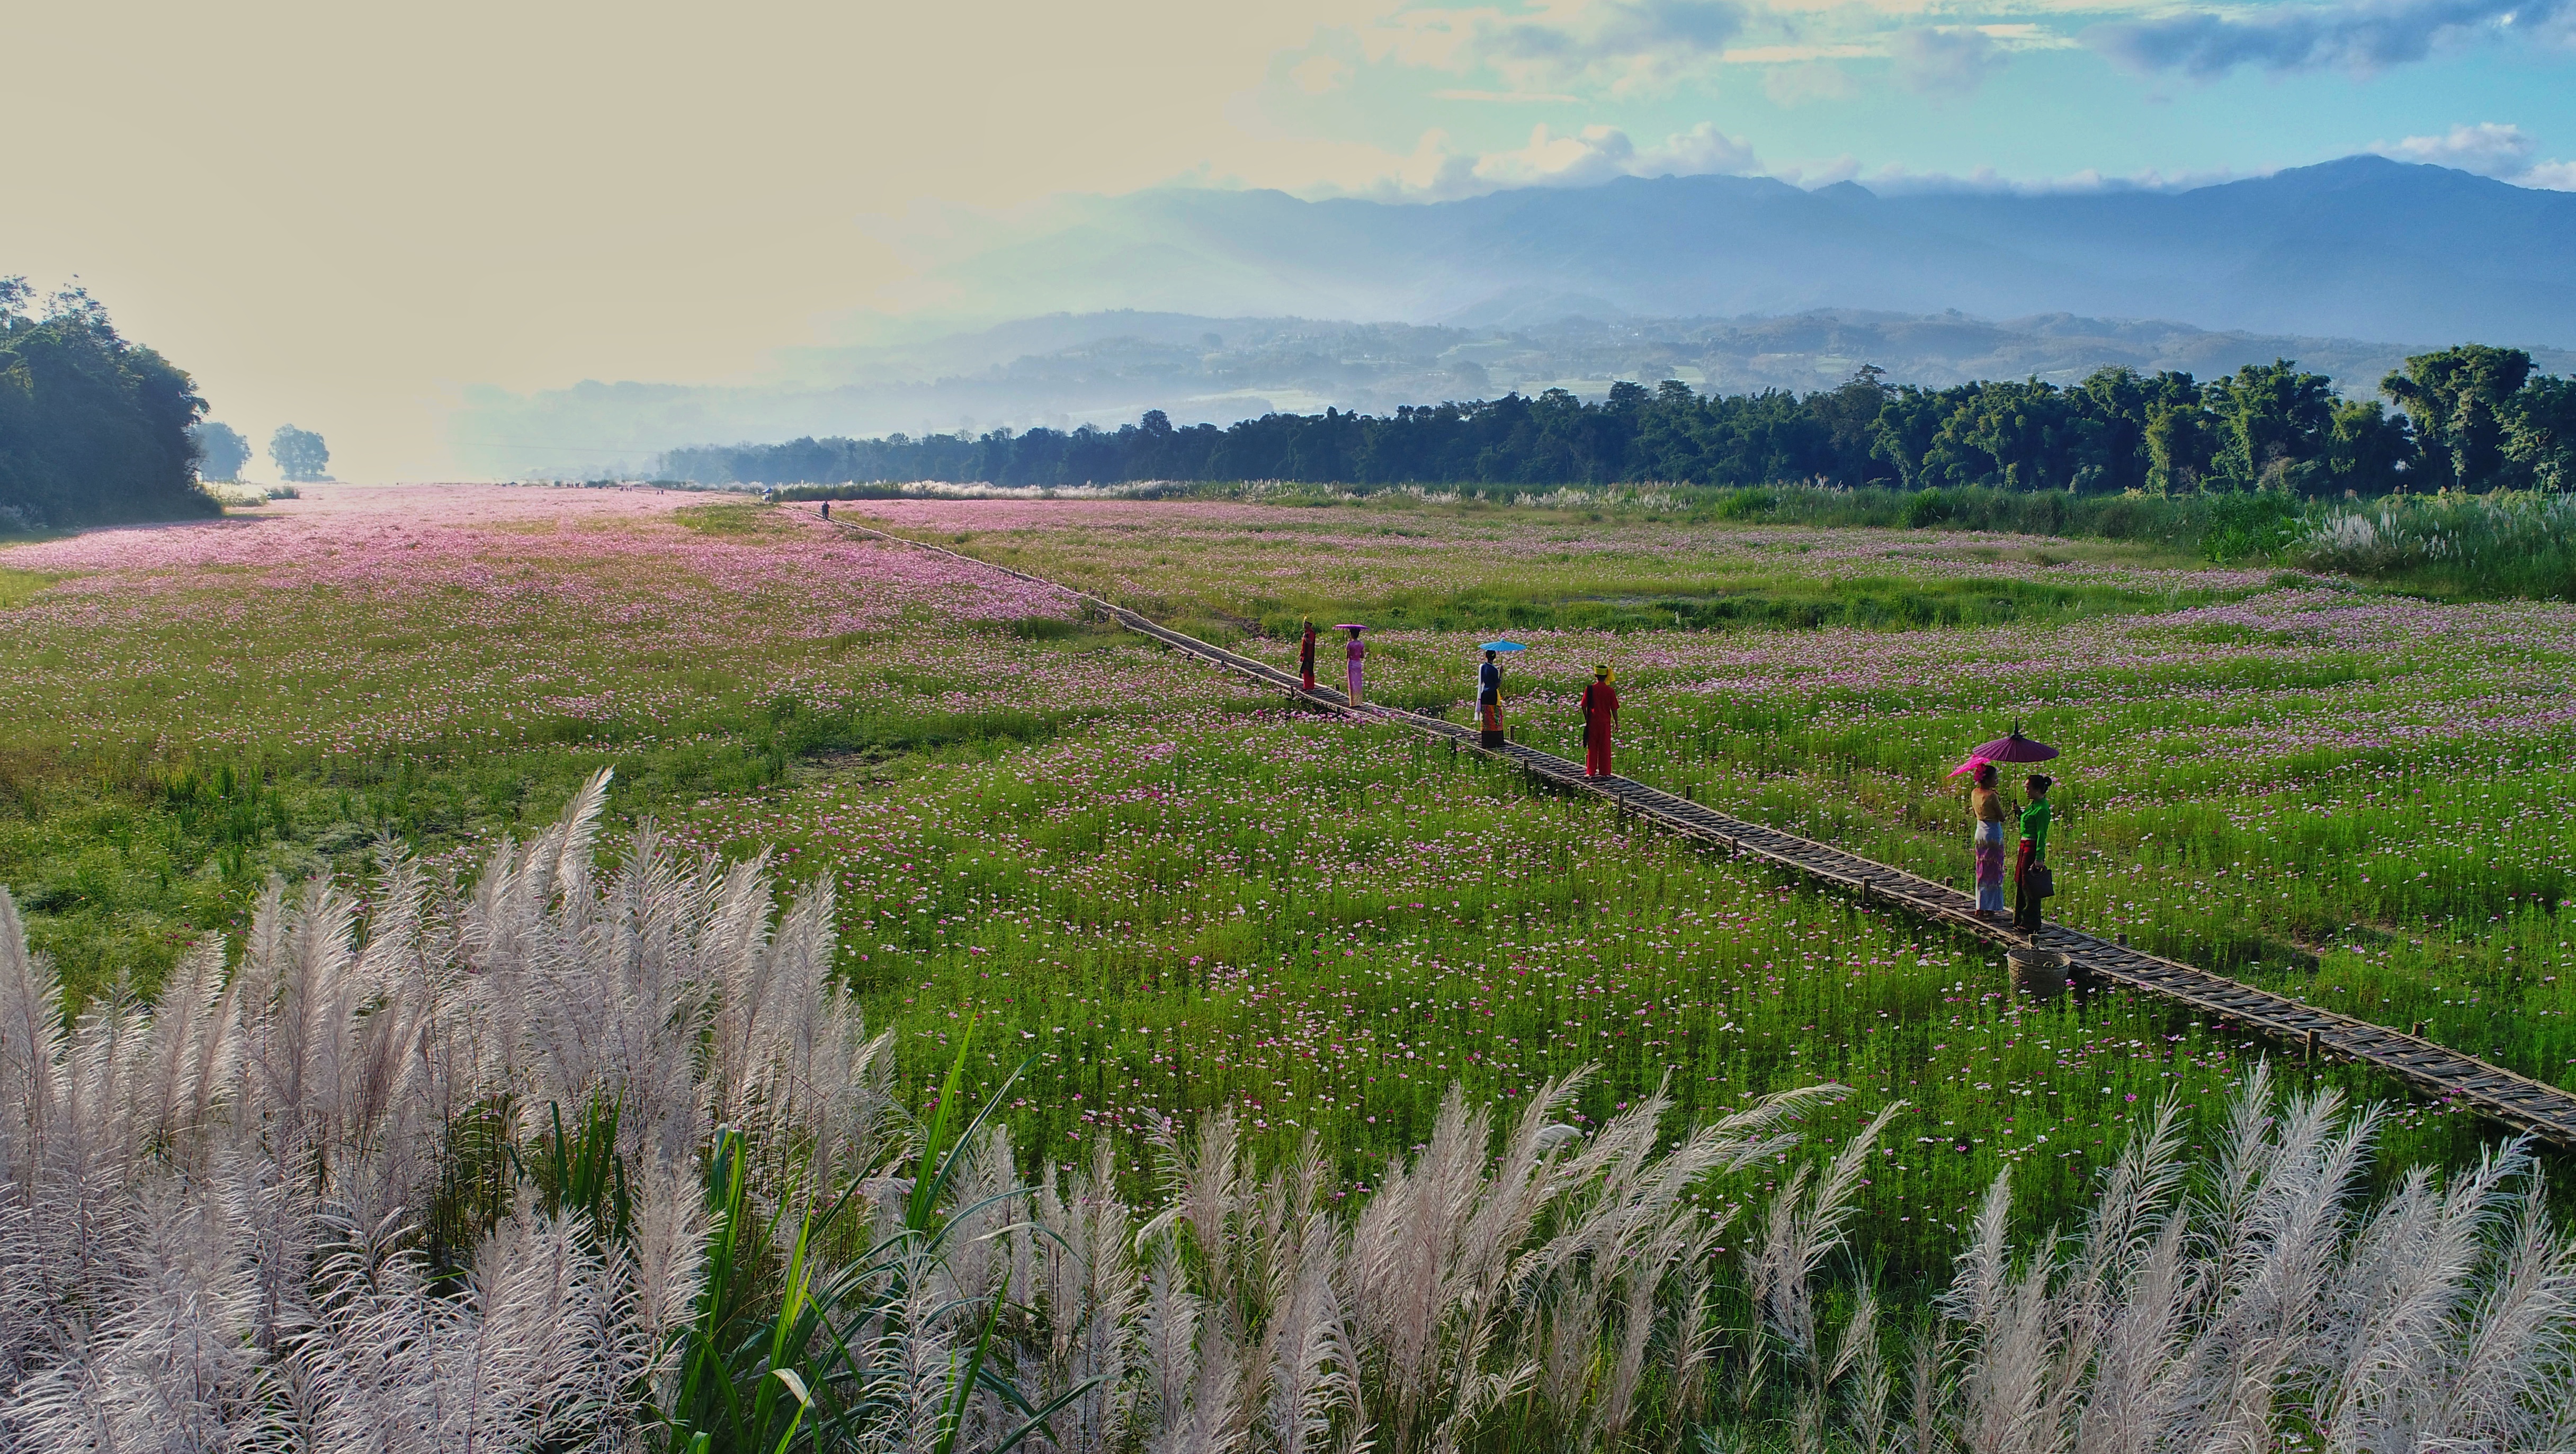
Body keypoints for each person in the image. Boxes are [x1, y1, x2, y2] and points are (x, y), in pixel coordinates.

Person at [2014, 774, 2053, 933]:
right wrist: (2019, 813)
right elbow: (2026, 822)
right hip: (2024, 846)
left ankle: (2031, 922)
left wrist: (2039, 858)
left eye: (2028, 788)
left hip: (2031, 847)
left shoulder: (2042, 809)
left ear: (2037, 789)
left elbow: (2041, 835)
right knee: (2022, 882)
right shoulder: (2033, 805)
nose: (2026, 790)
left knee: (2029, 884)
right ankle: (2021, 918)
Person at [1969, 761, 2008, 920]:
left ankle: (1980, 905)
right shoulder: (1992, 796)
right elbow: (2002, 817)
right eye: (1995, 778)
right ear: (1988, 779)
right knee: (1994, 870)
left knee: (1982, 868)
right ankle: (1991, 907)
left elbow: (1975, 813)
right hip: (1992, 833)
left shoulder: (1974, 793)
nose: (1997, 780)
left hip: (1980, 832)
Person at [1579, 665, 1618, 777]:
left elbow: (1583, 706)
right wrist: (1616, 723)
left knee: (1592, 747)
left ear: (1596, 675)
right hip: (1605, 723)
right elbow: (1614, 709)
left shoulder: (1590, 689)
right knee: (1605, 747)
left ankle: (1591, 772)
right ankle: (1605, 772)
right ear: (1606, 677)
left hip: (1593, 722)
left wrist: (1587, 718)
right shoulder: (1610, 691)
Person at [1478, 649, 1505, 747]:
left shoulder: (1482, 667)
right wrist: (1501, 673)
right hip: (1492, 694)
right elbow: (1497, 684)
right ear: (1495, 657)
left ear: (1486, 656)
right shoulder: (1494, 670)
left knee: (1486, 717)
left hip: (1484, 694)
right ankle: (1496, 741)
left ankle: (1486, 740)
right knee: (1495, 716)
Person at [1343, 625, 1366, 705]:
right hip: (1358, 664)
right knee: (1358, 682)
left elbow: (1347, 656)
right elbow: (1362, 656)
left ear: (1351, 634)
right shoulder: (1361, 644)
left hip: (1352, 663)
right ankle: (1359, 701)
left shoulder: (1350, 644)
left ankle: (1353, 702)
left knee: (1352, 682)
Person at [1299, 618, 1318, 692]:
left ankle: (1310, 687)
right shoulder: (1306, 632)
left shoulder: (1311, 633)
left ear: (1309, 624)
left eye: (1306, 623)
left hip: (1309, 655)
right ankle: (1306, 686)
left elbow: (1310, 642)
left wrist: (1305, 638)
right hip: (1306, 655)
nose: (1304, 625)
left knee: (1309, 671)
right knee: (1305, 672)